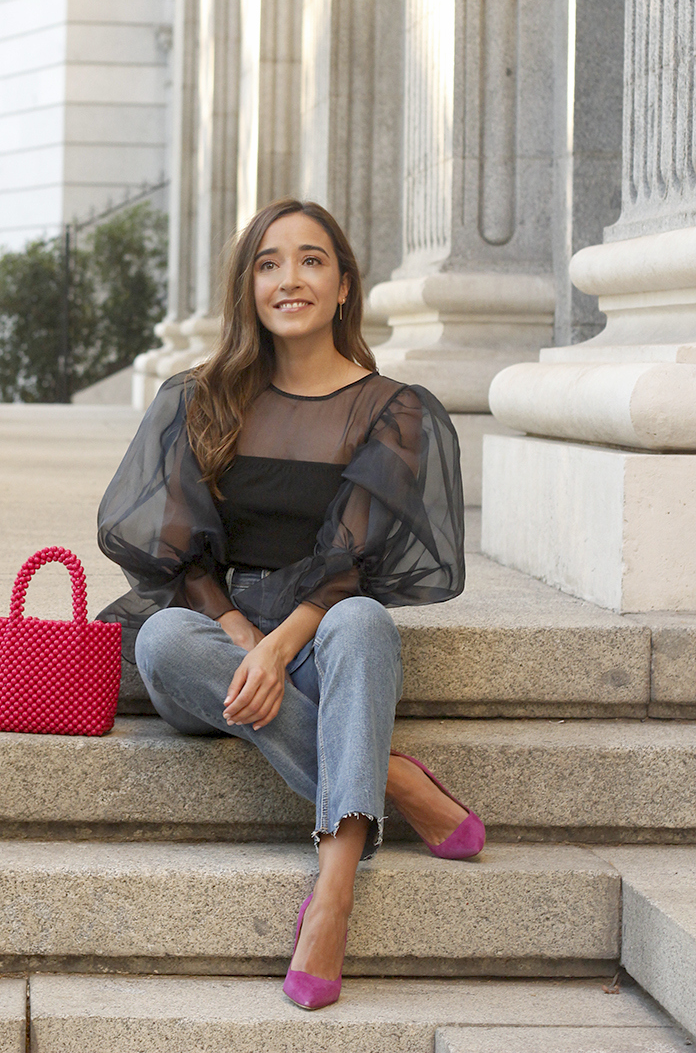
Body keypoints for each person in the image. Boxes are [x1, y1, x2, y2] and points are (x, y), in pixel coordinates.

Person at [96, 198, 482, 1010]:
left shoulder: (392, 409)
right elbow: (178, 549)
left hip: (320, 629)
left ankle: (332, 897)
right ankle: (392, 778)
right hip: (217, 637)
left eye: (311, 260)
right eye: (269, 263)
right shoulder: (201, 398)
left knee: (363, 619)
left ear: (344, 286)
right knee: (162, 639)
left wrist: (278, 648)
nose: (289, 279)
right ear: (249, 288)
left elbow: (351, 563)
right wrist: (241, 633)